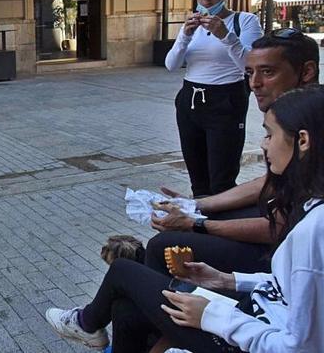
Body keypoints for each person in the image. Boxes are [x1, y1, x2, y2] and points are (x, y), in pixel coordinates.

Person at [47, 85, 324, 352]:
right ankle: (89, 324)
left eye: (269, 135)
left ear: (302, 140)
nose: (263, 146)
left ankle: (86, 323)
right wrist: (227, 280)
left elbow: (302, 347)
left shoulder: (313, 230)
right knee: (126, 308)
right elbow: (287, 290)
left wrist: (212, 317)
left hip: (248, 331)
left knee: (123, 270)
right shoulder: (311, 207)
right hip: (255, 314)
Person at [147, 30, 320, 275]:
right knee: (212, 214)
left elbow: (282, 225)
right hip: (285, 236)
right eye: (249, 73)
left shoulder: (313, 122)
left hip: (291, 258)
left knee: (161, 246)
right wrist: (197, 205)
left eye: (268, 72)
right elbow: (269, 183)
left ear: (307, 72)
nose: (254, 83)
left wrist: (197, 224)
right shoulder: (291, 114)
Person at [165, 0, 263, 197]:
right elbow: (171, 65)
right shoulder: (192, 25)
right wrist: (184, 37)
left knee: (222, 178)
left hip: (225, 100)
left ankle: (221, 226)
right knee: (198, 179)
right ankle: (199, 225)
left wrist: (226, 36)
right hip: (190, 101)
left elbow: (250, 67)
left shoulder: (245, 21)